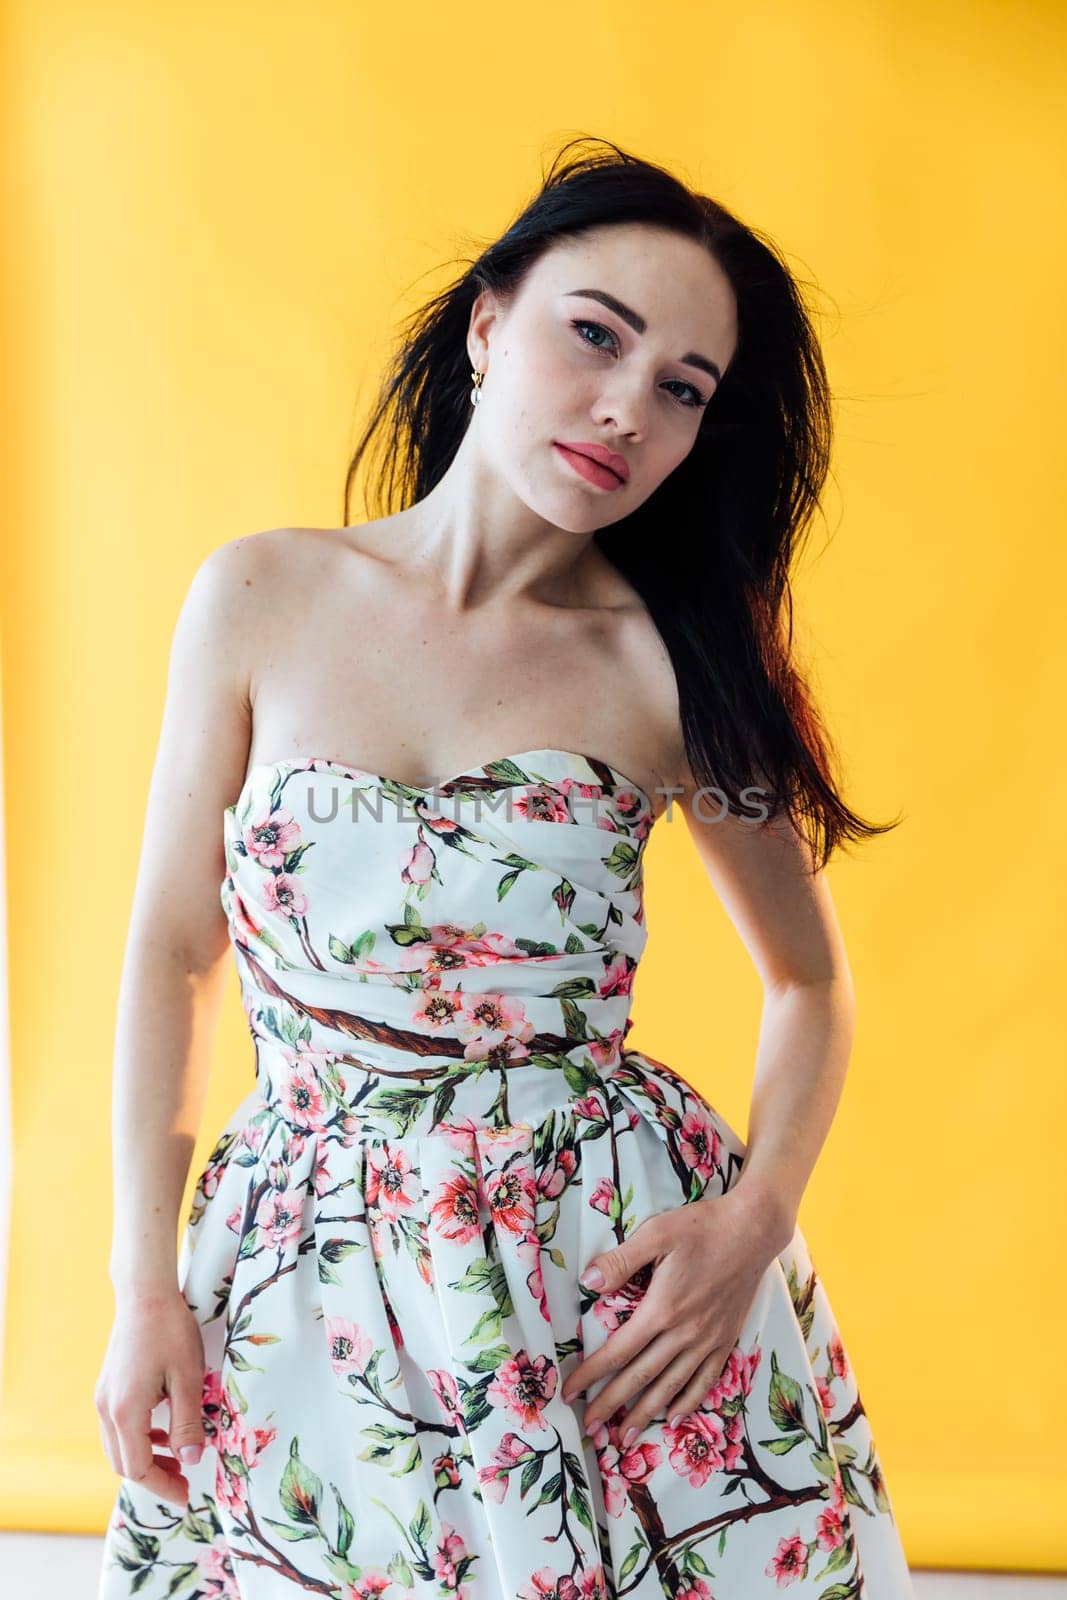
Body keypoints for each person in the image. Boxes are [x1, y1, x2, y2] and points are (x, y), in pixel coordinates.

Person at [95, 136, 914, 1597]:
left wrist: (754, 1220)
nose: (627, 407)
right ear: (488, 323)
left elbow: (811, 982)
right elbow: (172, 950)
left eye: (682, 390)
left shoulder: (671, 669)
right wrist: (141, 1286)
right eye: (596, 335)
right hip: (302, 1261)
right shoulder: (262, 596)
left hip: (591, 1279)